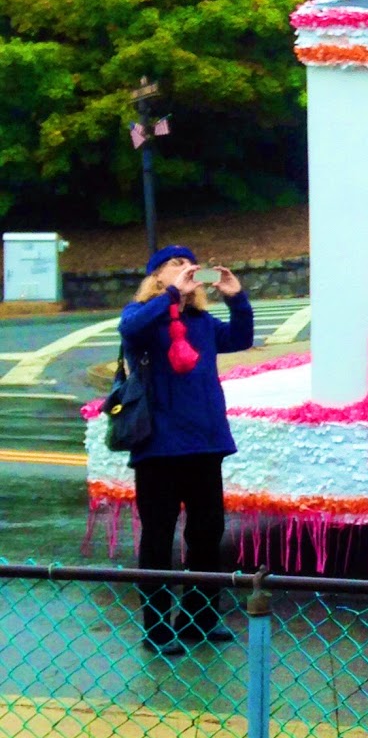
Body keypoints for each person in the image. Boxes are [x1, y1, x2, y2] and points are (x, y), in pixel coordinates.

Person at [118, 246, 253, 656]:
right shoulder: (142, 317)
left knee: (206, 535)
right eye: (176, 264)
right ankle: (157, 629)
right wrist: (171, 297)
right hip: (159, 446)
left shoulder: (202, 322)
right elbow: (132, 329)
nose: (187, 269)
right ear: (157, 277)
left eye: (189, 264)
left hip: (204, 442)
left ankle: (199, 619)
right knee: (158, 537)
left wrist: (236, 297)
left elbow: (242, 338)